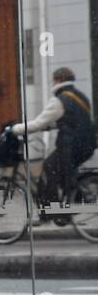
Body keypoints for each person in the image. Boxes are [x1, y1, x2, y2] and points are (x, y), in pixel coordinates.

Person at [12, 66, 95, 204]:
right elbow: (74, 120)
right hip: (87, 145)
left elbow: (38, 123)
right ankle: (73, 198)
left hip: (71, 146)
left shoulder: (59, 100)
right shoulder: (81, 96)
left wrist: (15, 129)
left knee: (49, 169)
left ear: (58, 80)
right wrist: (52, 126)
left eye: (53, 81)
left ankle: (52, 211)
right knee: (62, 172)